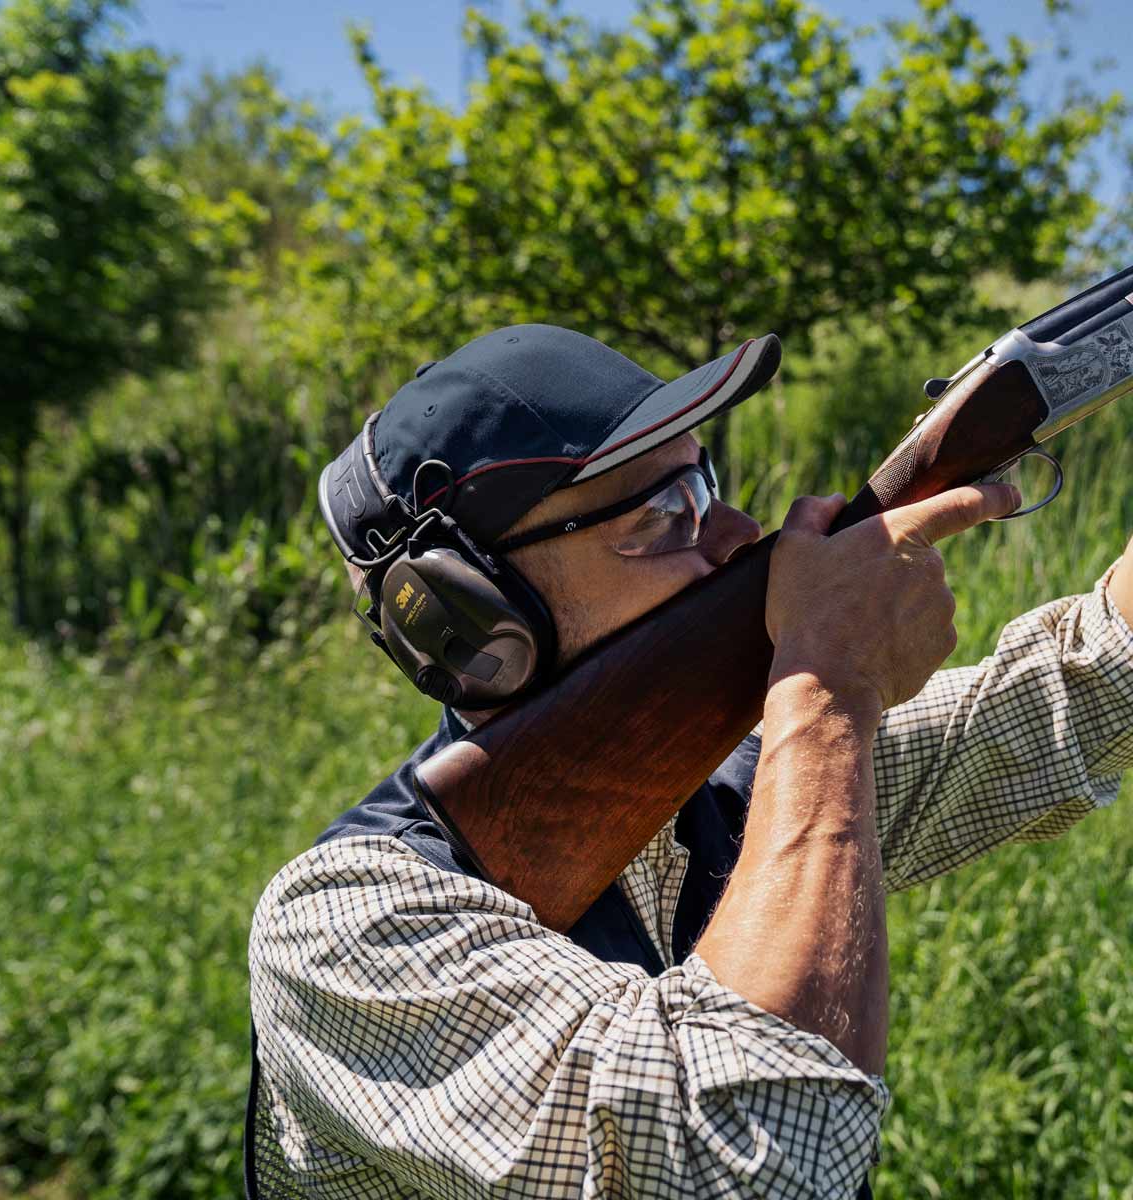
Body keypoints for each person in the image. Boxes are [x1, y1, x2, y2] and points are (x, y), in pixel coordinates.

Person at [244, 324, 1133, 1199]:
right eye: (664, 515)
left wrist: (818, 709)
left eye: (704, 485)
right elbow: (760, 1165)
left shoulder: (731, 778)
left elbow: (1085, 685)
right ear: (471, 617)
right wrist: (829, 687)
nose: (741, 534)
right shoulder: (344, 929)